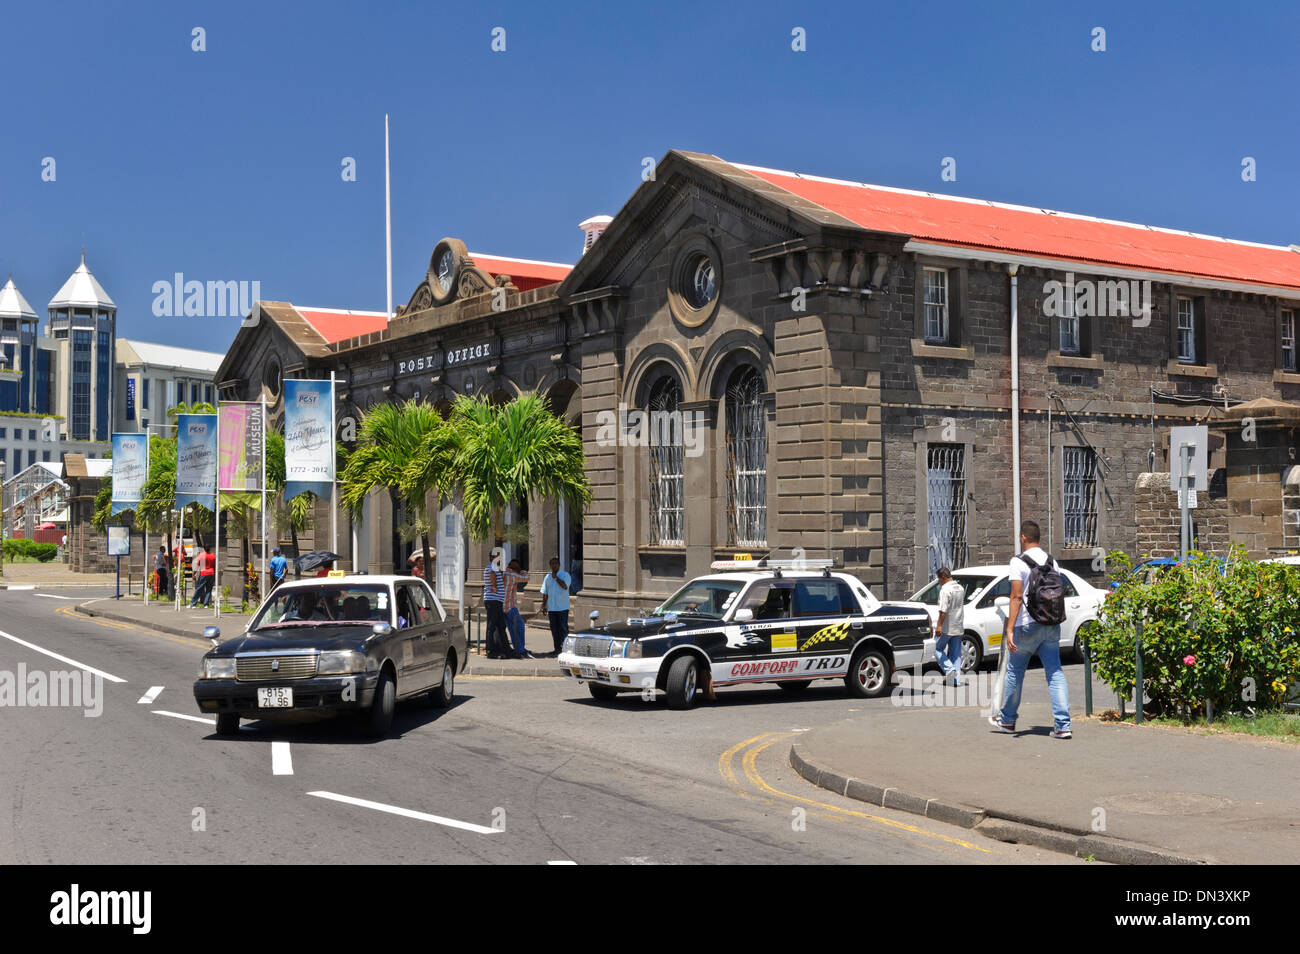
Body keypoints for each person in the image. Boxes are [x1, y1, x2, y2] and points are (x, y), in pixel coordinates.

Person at [989, 519, 1072, 739]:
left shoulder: (1018, 562)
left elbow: (1016, 597)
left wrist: (1009, 629)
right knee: (1054, 673)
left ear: (1023, 537)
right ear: (1039, 538)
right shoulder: (1052, 562)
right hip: (1051, 624)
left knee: (1015, 673)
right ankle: (1063, 725)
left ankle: (1007, 721)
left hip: (1026, 624)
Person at [933, 567, 964, 686]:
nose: (938, 582)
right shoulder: (960, 588)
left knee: (935, 648)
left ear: (943, 577)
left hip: (947, 626)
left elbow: (943, 610)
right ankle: (955, 680)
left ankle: (949, 669)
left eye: (939, 579)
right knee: (956, 653)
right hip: (958, 624)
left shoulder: (945, 590)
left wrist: (939, 626)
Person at [481, 548, 514, 658]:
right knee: (491, 626)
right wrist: (494, 586)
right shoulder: (491, 567)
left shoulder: (495, 568)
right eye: (497, 557)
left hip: (497, 601)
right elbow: (491, 575)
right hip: (493, 600)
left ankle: (506, 650)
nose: (500, 559)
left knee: (501, 626)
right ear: (491, 558)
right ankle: (490, 651)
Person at [540, 555, 572, 656]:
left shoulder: (565, 575)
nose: (554, 566)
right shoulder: (547, 577)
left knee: (563, 629)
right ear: (550, 565)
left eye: (556, 564)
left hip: (562, 608)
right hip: (552, 608)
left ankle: (566, 649)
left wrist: (556, 578)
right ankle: (557, 649)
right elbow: (545, 592)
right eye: (552, 564)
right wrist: (543, 605)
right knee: (554, 629)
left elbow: (565, 586)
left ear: (559, 565)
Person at [503, 558, 530, 658]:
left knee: (512, 629)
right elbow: (527, 578)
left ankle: (518, 648)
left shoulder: (505, 573)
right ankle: (520, 649)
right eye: (518, 567)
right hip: (510, 606)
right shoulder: (513, 575)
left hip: (503, 606)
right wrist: (522, 571)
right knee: (520, 626)